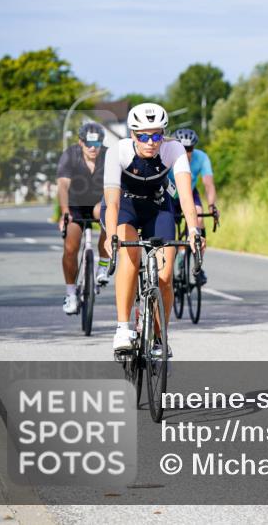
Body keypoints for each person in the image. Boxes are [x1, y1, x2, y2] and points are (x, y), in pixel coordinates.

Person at [101, 103, 203, 355]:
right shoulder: (118, 152)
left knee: (166, 276)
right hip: (125, 206)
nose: (150, 142)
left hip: (158, 206)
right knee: (130, 258)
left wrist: (193, 230)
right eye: (143, 136)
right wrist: (112, 236)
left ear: (164, 134)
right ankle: (123, 329)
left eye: (156, 135)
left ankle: (159, 337)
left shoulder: (174, 149)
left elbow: (186, 195)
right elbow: (112, 202)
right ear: (132, 134)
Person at [57, 121, 110, 315]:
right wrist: (64, 212)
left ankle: (103, 266)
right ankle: (71, 294)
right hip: (75, 205)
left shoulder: (108, 156)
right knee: (70, 247)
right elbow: (63, 186)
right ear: (81, 142)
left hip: (98, 203)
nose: (92, 148)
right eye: (88, 144)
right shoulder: (70, 155)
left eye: (97, 144)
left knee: (106, 215)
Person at [167, 128, 219, 285]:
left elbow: (208, 184)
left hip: (189, 192)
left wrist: (212, 205)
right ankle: (171, 259)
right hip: (168, 193)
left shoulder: (202, 157)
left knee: (199, 215)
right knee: (167, 225)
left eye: (189, 149)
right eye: (183, 148)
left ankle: (198, 261)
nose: (187, 153)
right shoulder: (168, 155)